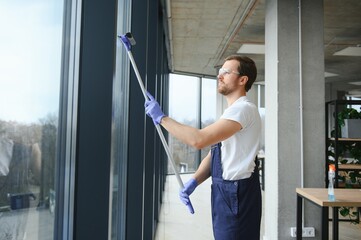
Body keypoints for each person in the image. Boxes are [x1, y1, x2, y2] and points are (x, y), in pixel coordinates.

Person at [145, 55, 262, 240]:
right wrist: (194, 180)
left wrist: (162, 119)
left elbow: (199, 140)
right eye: (220, 71)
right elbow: (218, 152)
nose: (219, 76)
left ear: (242, 80)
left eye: (226, 72)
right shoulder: (232, 112)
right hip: (227, 194)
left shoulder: (243, 109)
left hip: (237, 195)